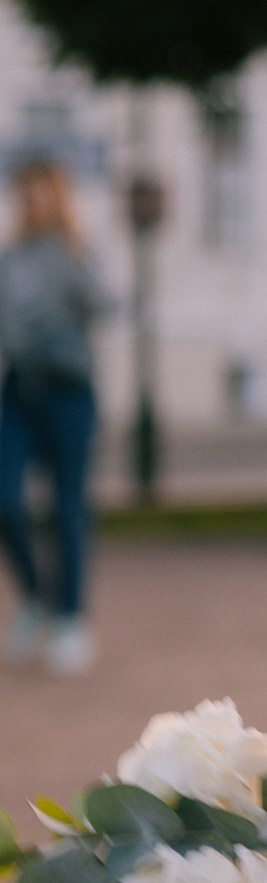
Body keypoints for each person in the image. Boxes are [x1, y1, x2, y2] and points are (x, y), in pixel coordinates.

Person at [0, 157, 108, 675]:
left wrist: (78, 268)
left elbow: (102, 305)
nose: (34, 201)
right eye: (27, 192)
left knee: (67, 508)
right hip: (19, 392)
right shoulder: (11, 259)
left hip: (69, 392)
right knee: (6, 499)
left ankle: (70, 619)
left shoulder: (78, 252)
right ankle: (35, 597)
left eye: (43, 192)